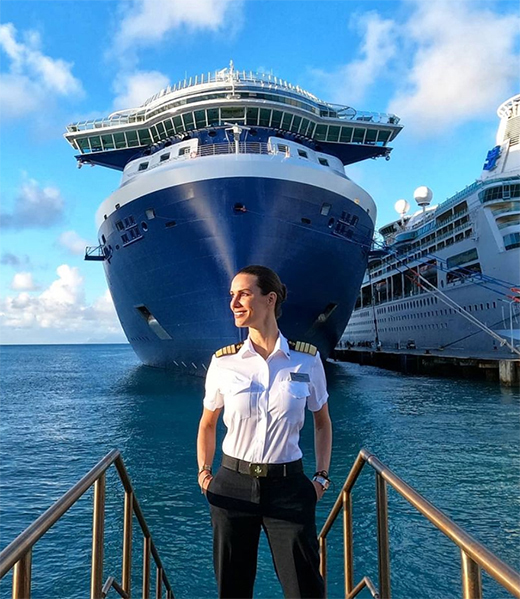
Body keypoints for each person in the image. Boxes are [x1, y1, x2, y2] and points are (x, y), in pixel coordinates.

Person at [197, 265, 332, 599]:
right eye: (232, 295)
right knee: (233, 589)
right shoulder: (224, 363)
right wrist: (204, 474)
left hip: (289, 487)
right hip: (232, 485)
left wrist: (321, 478)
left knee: (304, 589)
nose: (234, 302)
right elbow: (207, 423)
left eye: (243, 293)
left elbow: (322, 421)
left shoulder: (306, 360)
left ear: (269, 299)